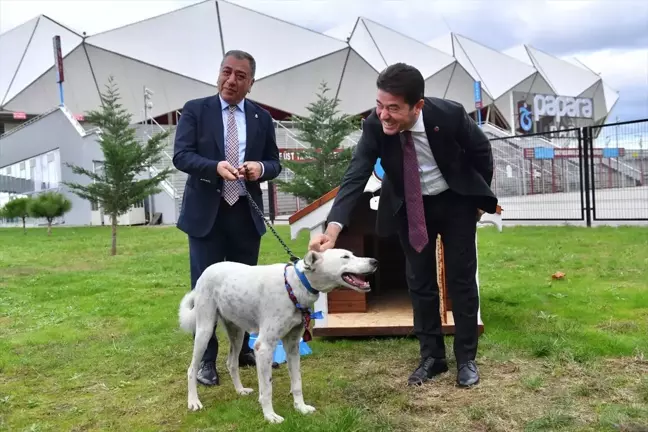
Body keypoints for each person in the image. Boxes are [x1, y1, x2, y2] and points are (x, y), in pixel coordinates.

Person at [309, 63, 497, 387]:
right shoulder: (374, 125)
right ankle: (432, 358)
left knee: (461, 280)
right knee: (419, 281)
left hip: (454, 202)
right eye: (380, 105)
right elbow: (356, 174)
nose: (383, 115)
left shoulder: (449, 115)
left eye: (393, 108)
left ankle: (466, 359)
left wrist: (479, 201)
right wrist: (332, 229)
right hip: (410, 204)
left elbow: (482, 152)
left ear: (417, 106)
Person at [173, 50, 282, 386]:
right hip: (206, 215)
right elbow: (181, 156)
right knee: (205, 290)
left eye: (240, 76)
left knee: (247, 289)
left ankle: (245, 350)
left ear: (251, 83)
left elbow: (274, 163)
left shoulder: (262, 118)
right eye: (226, 72)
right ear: (219, 74)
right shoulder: (195, 110)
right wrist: (214, 168)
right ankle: (206, 361)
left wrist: (259, 169)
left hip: (244, 215)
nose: (231, 80)